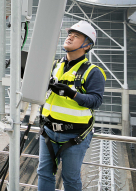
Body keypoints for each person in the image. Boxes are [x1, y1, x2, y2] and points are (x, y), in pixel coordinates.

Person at [37, 21, 106, 191]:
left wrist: (72, 94)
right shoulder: (54, 65)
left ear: (87, 46)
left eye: (76, 36)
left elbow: (96, 101)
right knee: (44, 173)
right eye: (70, 34)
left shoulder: (93, 71)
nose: (70, 37)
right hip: (49, 131)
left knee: (71, 178)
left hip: (75, 135)